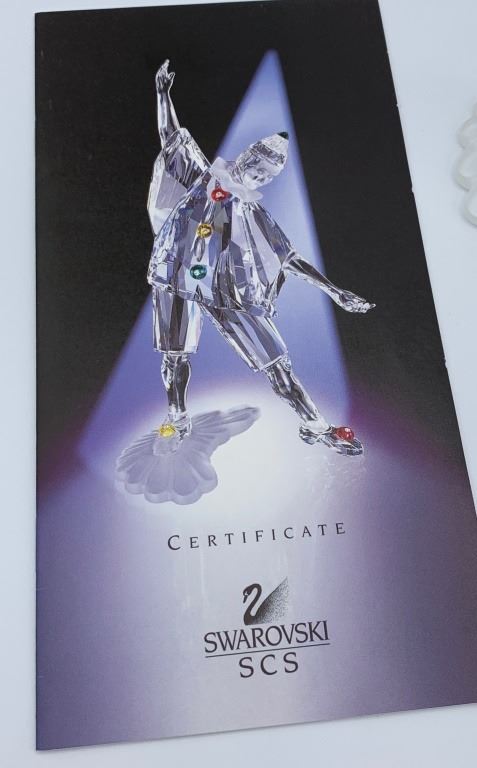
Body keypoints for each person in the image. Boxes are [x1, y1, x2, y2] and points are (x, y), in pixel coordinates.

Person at [147, 60, 375, 456]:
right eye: (256, 164)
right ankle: (178, 415)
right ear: (244, 157)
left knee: (276, 361)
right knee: (174, 354)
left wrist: (335, 291)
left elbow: (288, 257)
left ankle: (315, 424)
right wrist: (163, 95)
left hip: (226, 290)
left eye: (266, 173)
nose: (258, 173)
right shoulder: (203, 177)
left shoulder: (252, 213)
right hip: (176, 274)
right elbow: (171, 138)